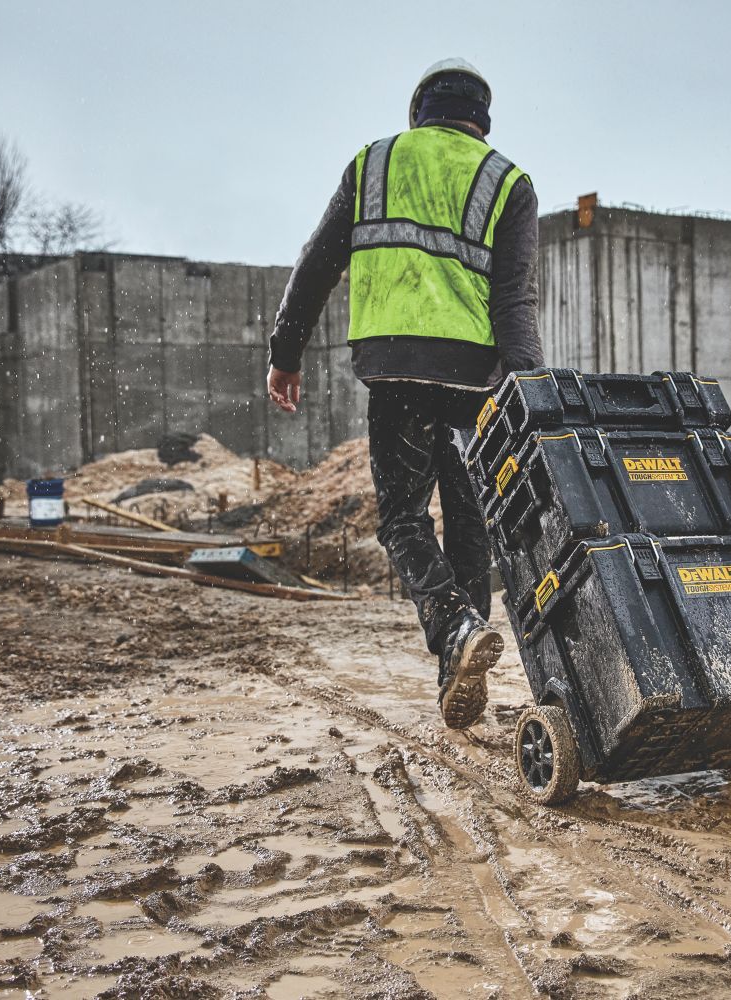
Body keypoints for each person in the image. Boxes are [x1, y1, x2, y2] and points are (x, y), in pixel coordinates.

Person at [267, 58, 544, 729]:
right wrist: (532, 389)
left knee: (402, 519)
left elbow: (318, 262)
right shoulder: (508, 180)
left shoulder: (374, 164)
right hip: (476, 379)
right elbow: (513, 300)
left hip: (395, 369)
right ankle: (461, 655)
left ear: (420, 109)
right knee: (471, 523)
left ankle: (454, 632)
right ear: (482, 119)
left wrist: (285, 352)